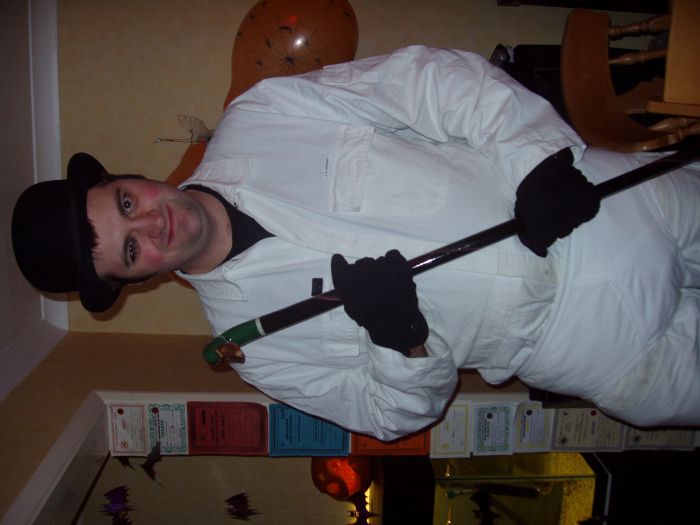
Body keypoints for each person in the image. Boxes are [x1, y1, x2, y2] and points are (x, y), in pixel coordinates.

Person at [12, 46, 700, 440]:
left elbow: (428, 84)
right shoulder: (256, 349)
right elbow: (387, 415)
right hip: (605, 350)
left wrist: (537, 162)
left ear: (129, 177)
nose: (151, 225)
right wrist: (402, 342)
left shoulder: (262, 115)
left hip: (617, 204)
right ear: (136, 282)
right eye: (130, 250)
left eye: (126, 204)